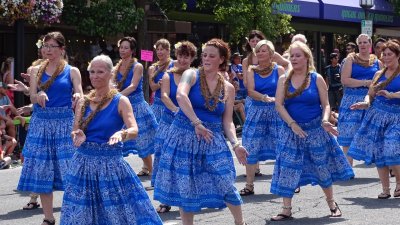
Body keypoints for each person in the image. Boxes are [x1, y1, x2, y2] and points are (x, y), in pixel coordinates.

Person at [154, 38, 248, 225]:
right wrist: (196, 122)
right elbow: (181, 95)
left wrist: (236, 144)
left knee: (225, 181)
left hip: (212, 136)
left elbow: (227, 121)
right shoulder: (191, 74)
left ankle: (240, 223)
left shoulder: (228, 88)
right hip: (184, 134)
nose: (206, 58)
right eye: (204, 55)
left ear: (221, 60)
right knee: (186, 186)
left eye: (212, 56)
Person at [60, 55, 163, 225]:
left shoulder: (120, 101)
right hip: (83, 164)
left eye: (100, 71)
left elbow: (134, 129)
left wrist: (121, 134)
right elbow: (74, 130)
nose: (95, 75)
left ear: (110, 74)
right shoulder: (83, 102)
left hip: (111, 164)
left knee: (116, 213)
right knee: (81, 214)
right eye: (92, 72)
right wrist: (78, 134)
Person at [271, 41, 354, 221]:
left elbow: (325, 104)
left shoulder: (316, 78)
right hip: (292, 130)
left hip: (316, 129)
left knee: (321, 167)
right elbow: (278, 104)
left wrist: (325, 120)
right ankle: (286, 209)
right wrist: (292, 124)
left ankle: (332, 203)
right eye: (291, 55)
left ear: (307, 57)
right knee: (288, 168)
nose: (294, 59)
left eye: (298, 55)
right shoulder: (283, 79)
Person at [17, 31, 83, 225]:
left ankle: (75, 214)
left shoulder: (72, 71)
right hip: (41, 123)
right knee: (43, 170)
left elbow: (79, 93)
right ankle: (48, 217)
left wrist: (78, 97)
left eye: (52, 46)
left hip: (64, 124)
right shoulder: (35, 70)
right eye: (45, 46)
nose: (47, 50)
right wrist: (38, 97)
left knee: (70, 169)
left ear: (62, 50)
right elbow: (32, 96)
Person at [348, 40, 400, 199]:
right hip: (377, 116)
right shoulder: (378, 74)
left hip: (396, 117)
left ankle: (399, 183)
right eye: (384, 54)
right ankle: (385, 189)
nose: (386, 57)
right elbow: (370, 95)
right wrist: (365, 103)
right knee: (379, 152)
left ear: (398, 56)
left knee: (391, 148)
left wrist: (392, 95)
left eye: (390, 54)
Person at [152, 41, 197, 213]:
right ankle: (164, 199)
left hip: (189, 123)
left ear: (192, 58)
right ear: (176, 56)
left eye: (187, 56)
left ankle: (187, 195)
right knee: (164, 159)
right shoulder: (167, 75)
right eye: (180, 56)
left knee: (185, 161)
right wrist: (177, 110)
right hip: (168, 121)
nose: (183, 59)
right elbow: (163, 96)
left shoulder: (196, 77)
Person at [240, 40, 284, 196]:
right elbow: (250, 91)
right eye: (258, 51)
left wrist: (277, 100)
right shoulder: (252, 70)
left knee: (282, 147)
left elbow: (285, 90)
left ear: (271, 53)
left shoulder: (279, 70)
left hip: (276, 112)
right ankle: (249, 185)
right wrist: (265, 98)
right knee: (250, 146)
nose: (259, 53)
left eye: (263, 51)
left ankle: (287, 182)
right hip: (257, 111)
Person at [114, 36, 158, 177]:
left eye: (126, 47)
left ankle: (151, 171)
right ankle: (141, 169)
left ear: (132, 50)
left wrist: (117, 96)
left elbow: (133, 86)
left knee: (141, 140)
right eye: (121, 47)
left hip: (136, 107)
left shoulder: (137, 66)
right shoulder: (116, 67)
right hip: (121, 106)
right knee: (119, 140)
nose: (123, 50)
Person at [338, 34, 383, 166]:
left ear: (370, 44)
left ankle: (382, 163)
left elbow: (382, 82)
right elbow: (345, 80)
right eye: (360, 43)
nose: (363, 45)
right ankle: (348, 166)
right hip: (351, 99)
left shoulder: (377, 62)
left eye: (365, 42)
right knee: (348, 131)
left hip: (371, 101)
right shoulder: (350, 59)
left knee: (372, 132)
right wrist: (365, 82)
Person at [148, 39, 174, 122]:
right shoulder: (152, 68)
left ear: (168, 50)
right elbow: (152, 88)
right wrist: (159, 84)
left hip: (171, 103)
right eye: (157, 50)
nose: (159, 52)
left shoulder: (174, 65)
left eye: (161, 49)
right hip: (157, 104)